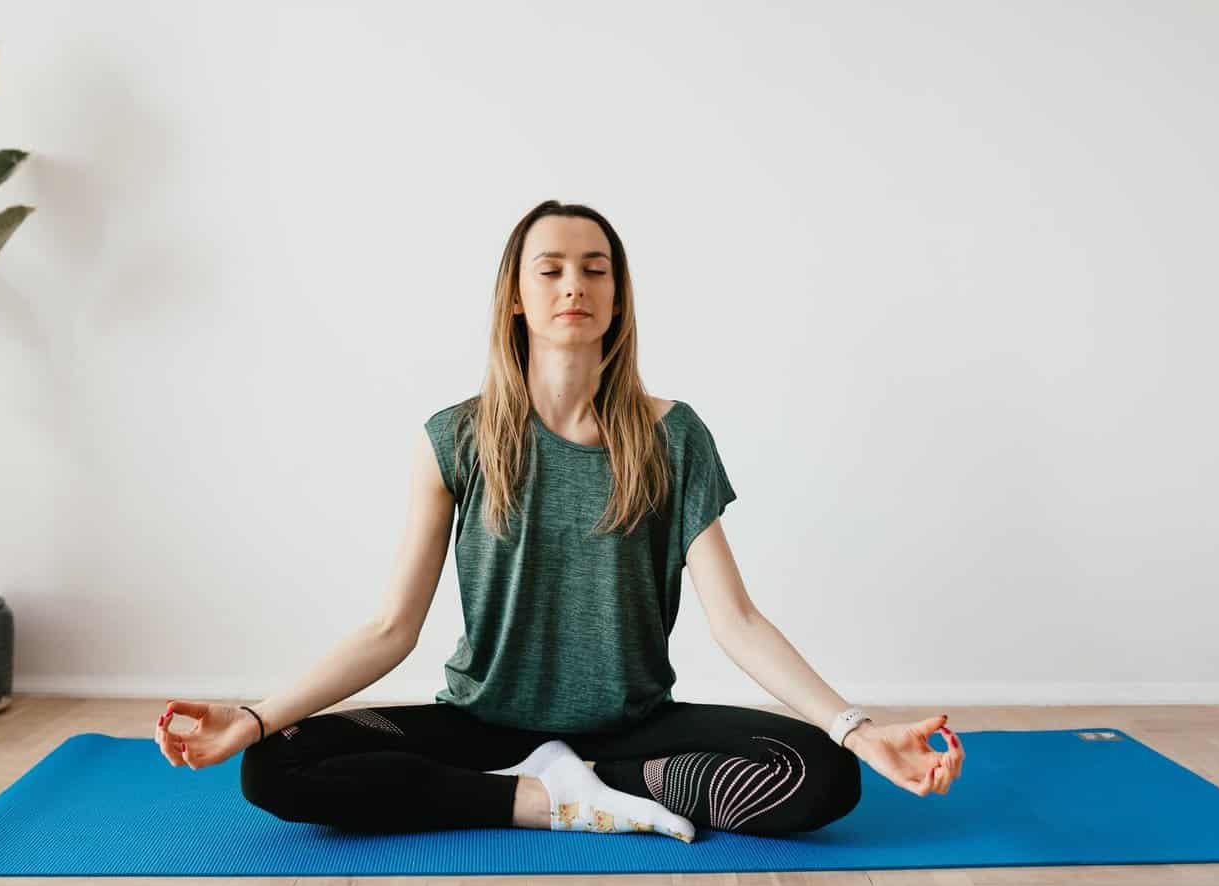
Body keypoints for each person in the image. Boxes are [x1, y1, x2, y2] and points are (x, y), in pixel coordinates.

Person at [154, 200, 965, 841]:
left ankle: (602, 786)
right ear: (517, 296)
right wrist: (256, 715)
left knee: (824, 775)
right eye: (550, 270)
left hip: (636, 728)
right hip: (482, 726)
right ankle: (549, 801)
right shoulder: (456, 438)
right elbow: (390, 627)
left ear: (616, 298)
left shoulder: (672, 436)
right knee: (275, 766)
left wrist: (856, 729)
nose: (573, 285)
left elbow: (738, 620)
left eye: (594, 269)